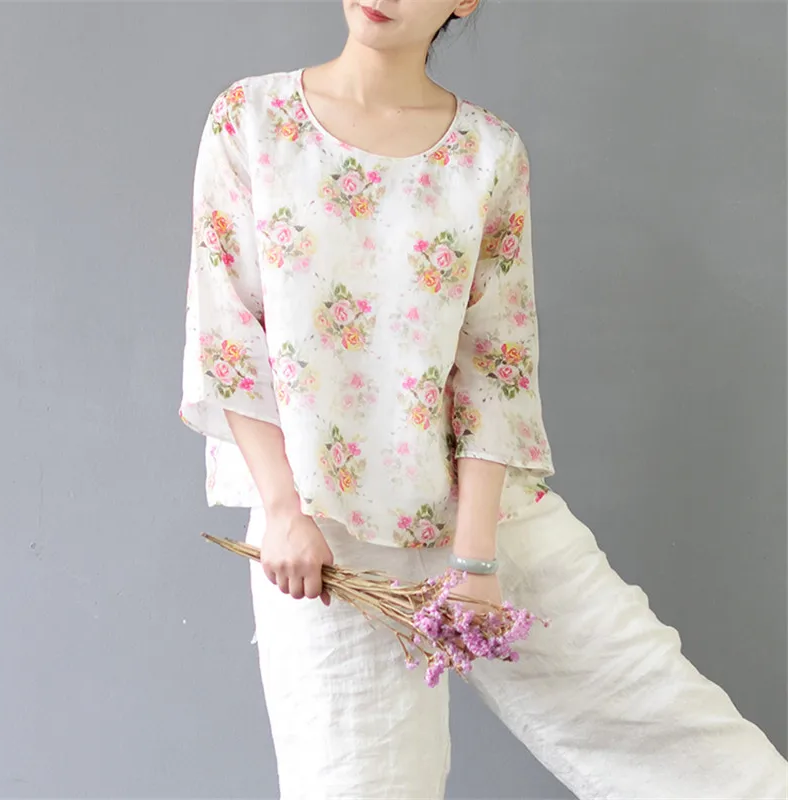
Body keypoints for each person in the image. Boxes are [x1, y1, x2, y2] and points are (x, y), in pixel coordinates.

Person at [179, 1, 788, 797]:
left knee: (695, 750)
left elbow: (495, 364)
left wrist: (474, 563)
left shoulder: (487, 153)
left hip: (485, 513)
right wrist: (285, 511)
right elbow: (228, 335)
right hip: (323, 533)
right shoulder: (250, 120)